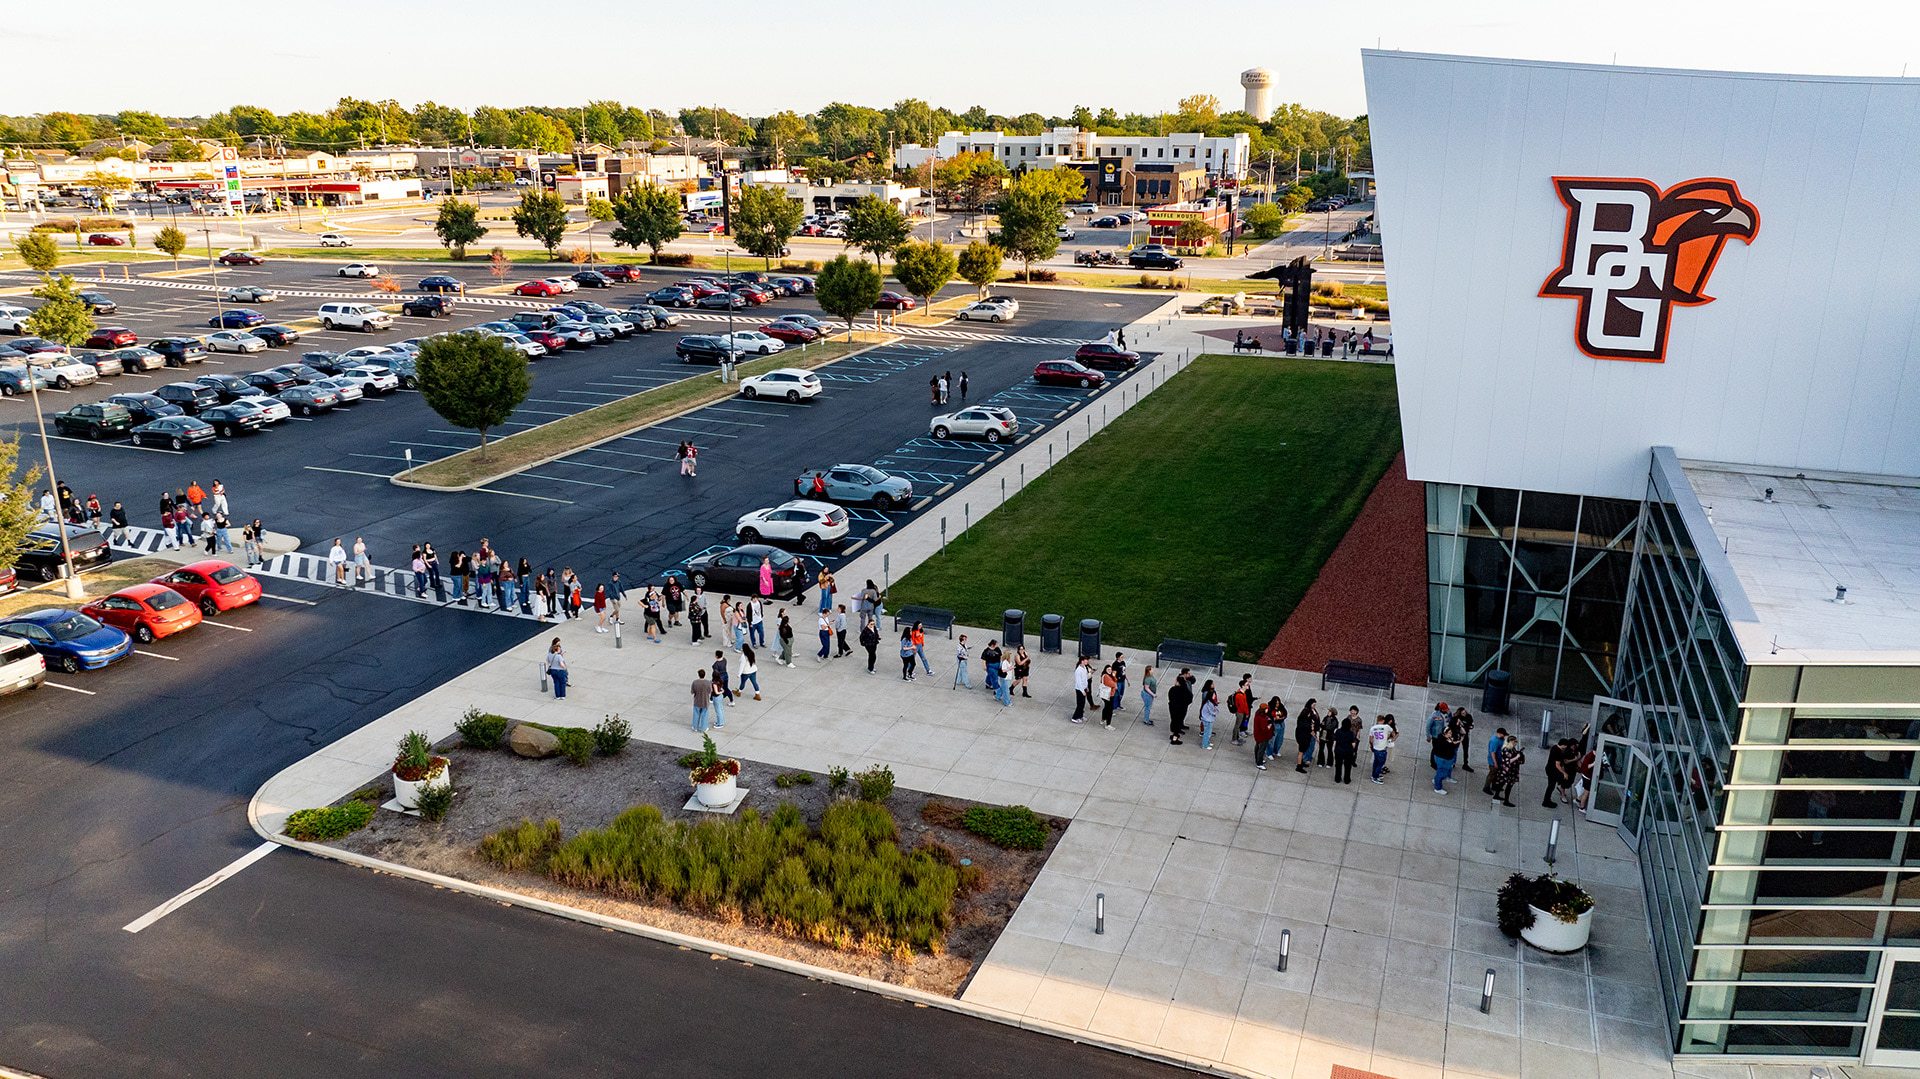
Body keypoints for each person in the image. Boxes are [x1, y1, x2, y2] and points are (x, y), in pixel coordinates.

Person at [1491, 734, 1524, 807]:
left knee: (1502, 783)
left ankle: (1497, 795)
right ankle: (1506, 800)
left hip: (1509, 770)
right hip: (1508, 770)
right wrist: (1517, 757)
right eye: (1515, 741)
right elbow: (1508, 761)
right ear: (1511, 742)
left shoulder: (1512, 748)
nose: (1516, 743)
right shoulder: (1506, 749)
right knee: (1509, 785)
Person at [1433, 717, 1461, 794]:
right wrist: (1453, 743)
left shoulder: (1446, 739)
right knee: (1442, 772)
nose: (1450, 735)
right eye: (1449, 733)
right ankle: (1437, 787)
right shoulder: (1444, 741)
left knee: (1442, 771)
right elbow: (1451, 747)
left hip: (1446, 758)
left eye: (1451, 733)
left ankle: (1436, 780)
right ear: (1444, 734)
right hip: (1443, 758)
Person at [1166, 668, 1192, 744]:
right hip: (1181, 709)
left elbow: (1170, 697)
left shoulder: (1173, 689)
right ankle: (1175, 738)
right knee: (1178, 722)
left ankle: (1174, 734)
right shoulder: (1185, 691)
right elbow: (1189, 699)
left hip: (1173, 708)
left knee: (1174, 721)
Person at [1333, 715, 1361, 784]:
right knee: (1348, 766)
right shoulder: (1351, 733)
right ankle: (1347, 779)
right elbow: (1353, 744)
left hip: (1339, 750)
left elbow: (1335, 741)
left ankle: (1337, 778)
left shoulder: (1338, 731)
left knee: (1338, 765)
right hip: (1348, 751)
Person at [1483, 727, 1509, 795]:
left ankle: (1494, 786)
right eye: (1503, 735)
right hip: (1494, 760)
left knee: (1496, 774)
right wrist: (1495, 762)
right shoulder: (1494, 741)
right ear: (1499, 733)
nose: (1504, 736)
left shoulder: (1500, 739)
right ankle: (1486, 787)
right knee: (1492, 774)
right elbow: (1492, 752)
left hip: (1499, 759)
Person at [1369, 714, 1395, 782]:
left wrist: (1371, 746)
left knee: (1376, 762)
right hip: (1382, 748)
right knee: (1380, 764)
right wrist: (1389, 737)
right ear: (1383, 720)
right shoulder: (1386, 727)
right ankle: (1375, 777)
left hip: (1375, 747)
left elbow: (1371, 739)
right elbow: (1393, 733)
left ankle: (1373, 775)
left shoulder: (1372, 728)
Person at [1294, 702, 1317, 773]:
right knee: (1301, 752)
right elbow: (1311, 731)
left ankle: (1300, 763)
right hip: (1303, 738)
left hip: (1301, 737)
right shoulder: (1306, 723)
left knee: (1301, 751)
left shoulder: (1301, 721)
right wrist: (1316, 738)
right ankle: (1299, 766)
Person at [1253, 700, 1275, 770]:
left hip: (1258, 735)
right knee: (1261, 749)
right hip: (1262, 736)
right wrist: (1270, 725)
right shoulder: (1261, 718)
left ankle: (1258, 759)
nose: (1267, 710)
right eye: (1266, 709)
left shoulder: (1258, 714)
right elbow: (1265, 729)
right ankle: (1259, 763)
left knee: (1258, 747)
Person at [1197, 680, 1218, 750]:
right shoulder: (1209, 703)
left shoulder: (1208, 702)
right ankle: (1204, 745)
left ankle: (1207, 742)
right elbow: (1212, 711)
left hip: (1208, 718)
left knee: (1209, 731)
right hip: (1207, 719)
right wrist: (1216, 711)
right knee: (1207, 732)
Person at [1070, 657, 1091, 723]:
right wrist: (1082, 691)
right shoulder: (1078, 670)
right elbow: (1078, 682)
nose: (1087, 661)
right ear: (1082, 661)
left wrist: (1086, 687)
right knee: (1080, 704)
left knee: (1083, 703)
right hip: (1079, 689)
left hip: (1084, 688)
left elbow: (1084, 679)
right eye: (1086, 660)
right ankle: (1075, 717)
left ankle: (1080, 715)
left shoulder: (1084, 668)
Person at [691, 668, 712, 732]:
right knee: (704, 715)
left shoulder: (695, 682)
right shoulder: (708, 683)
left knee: (696, 714)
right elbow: (710, 691)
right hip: (705, 701)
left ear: (698, 675)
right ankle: (703, 728)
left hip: (697, 701)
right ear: (704, 675)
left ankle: (695, 727)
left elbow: (692, 692)